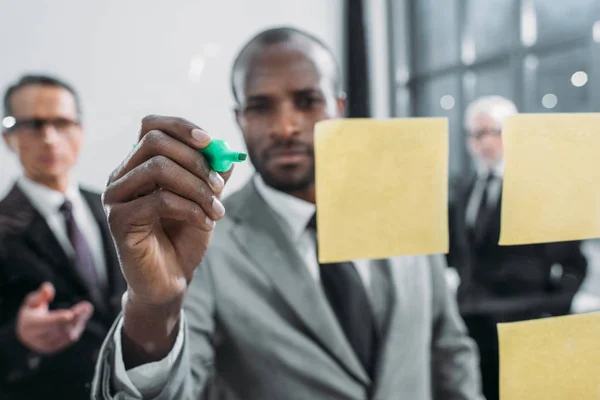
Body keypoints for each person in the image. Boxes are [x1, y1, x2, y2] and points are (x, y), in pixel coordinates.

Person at [91, 27, 484, 400]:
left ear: (338, 107)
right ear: (239, 118)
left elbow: (447, 346)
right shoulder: (202, 235)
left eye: (307, 101)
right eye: (261, 107)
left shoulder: (400, 207)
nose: (285, 127)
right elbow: (180, 386)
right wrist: (152, 307)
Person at [447, 95, 587, 400]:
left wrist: (551, 310)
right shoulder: (465, 188)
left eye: (494, 132)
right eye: (476, 134)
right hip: (471, 321)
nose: (485, 142)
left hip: (523, 321)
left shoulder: (540, 190)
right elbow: (457, 251)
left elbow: (574, 262)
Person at [0, 74, 126, 399]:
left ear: (80, 132)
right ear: (8, 137)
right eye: (33, 125)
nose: (50, 138)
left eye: (62, 123)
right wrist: (20, 340)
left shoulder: (116, 207)